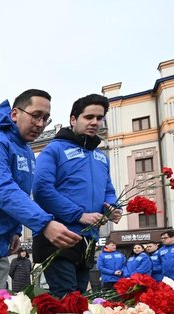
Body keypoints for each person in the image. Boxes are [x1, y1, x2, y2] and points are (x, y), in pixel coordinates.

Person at [0, 90, 80, 291]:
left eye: (46, 118)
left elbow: (22, 192)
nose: (41, 124)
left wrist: (15, 231)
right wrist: (44, 223)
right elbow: (4, 190)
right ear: (14, 114)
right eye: (35, 115)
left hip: (0, 240)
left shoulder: (27, 152)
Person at [31, 94, 121, 297]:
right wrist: (79, 215)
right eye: (88, 117)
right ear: (73, 119)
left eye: (99, 118)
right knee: (66, 298)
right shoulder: (54, 150)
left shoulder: (100, 156)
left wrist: (113, 206)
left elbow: (108, 189)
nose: (94, 122)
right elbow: (42, 190)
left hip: (88, 239)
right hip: (59, 235)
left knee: (79, 299)